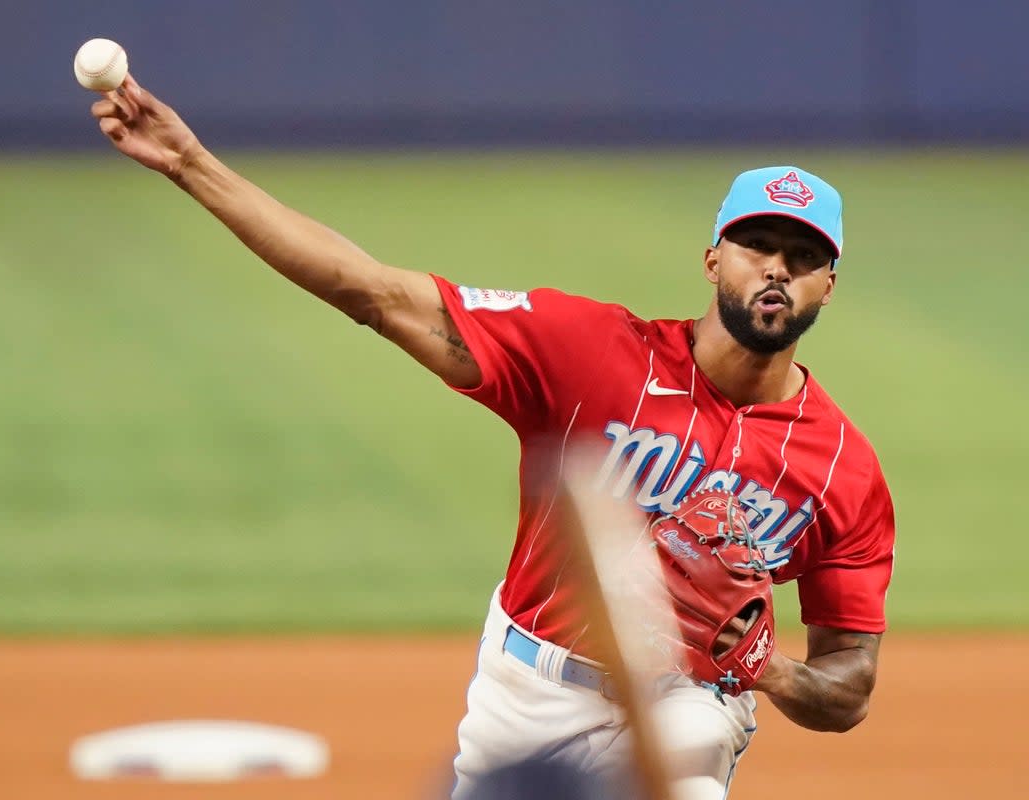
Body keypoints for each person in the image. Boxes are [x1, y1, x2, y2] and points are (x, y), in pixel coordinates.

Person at [88, 75, 895, 800]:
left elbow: (849, 684)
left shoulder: (842, 470)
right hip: (531, 687)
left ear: (829, 281)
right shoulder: (589, 353)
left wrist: (770, 670)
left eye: (803, 255)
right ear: (715, 256)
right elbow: (375, 294)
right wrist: (190, 162)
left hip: (691, 705)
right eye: (759, 245)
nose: (777, 268)